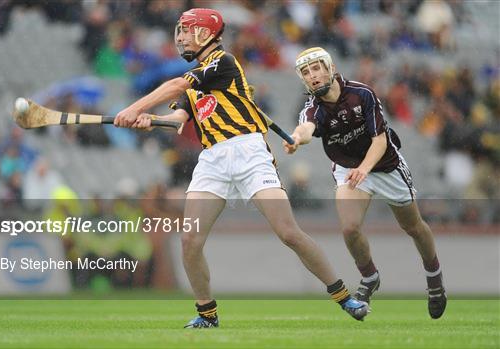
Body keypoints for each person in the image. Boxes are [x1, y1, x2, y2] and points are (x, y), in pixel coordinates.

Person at [114, 9, 369, 328]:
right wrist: (149, 121)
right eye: (179, 31)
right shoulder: (195, 84)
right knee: (190, 240)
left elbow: (179, 84)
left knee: (289, 233)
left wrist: (134, 107)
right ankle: (207, 314)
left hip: (248, 152)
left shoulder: (223, 62)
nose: (180, 37)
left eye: (187, 31)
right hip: (212, 160)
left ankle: (344, 296)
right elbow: (178, 121)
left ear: (206, 34)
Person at [284, 47, 447, 319]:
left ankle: (434, 278)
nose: (311, 76)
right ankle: (369, 276)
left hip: (385, 166)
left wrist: (365, 168)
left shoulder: (362, 93)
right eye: (305, 72)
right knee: (349, 228)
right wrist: (296, 139)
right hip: (349, 170)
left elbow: (380, 140)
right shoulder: (313, 109)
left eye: (315, 68)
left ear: (330, 68)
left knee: (413, 226)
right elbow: (306, 128)